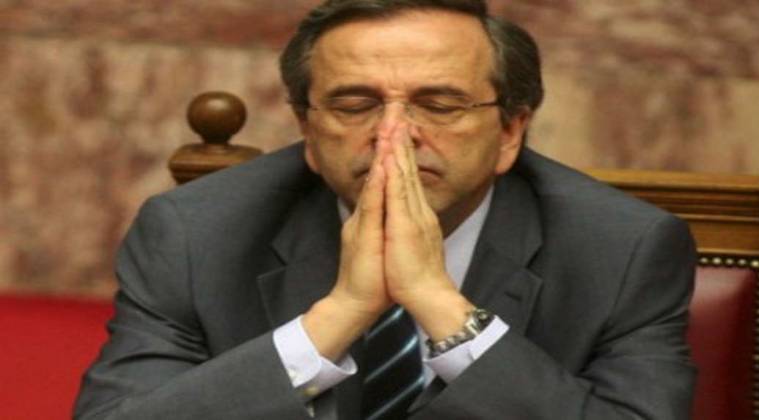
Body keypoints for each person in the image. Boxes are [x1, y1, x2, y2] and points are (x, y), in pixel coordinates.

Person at [75, 1, 697, 419]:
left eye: (440, 105)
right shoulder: (196, 234)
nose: (392, 135)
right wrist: (338, 316)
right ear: (307, 130)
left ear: (511, 130)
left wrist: (440, 304)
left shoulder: (622, 249)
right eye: (354, 105)